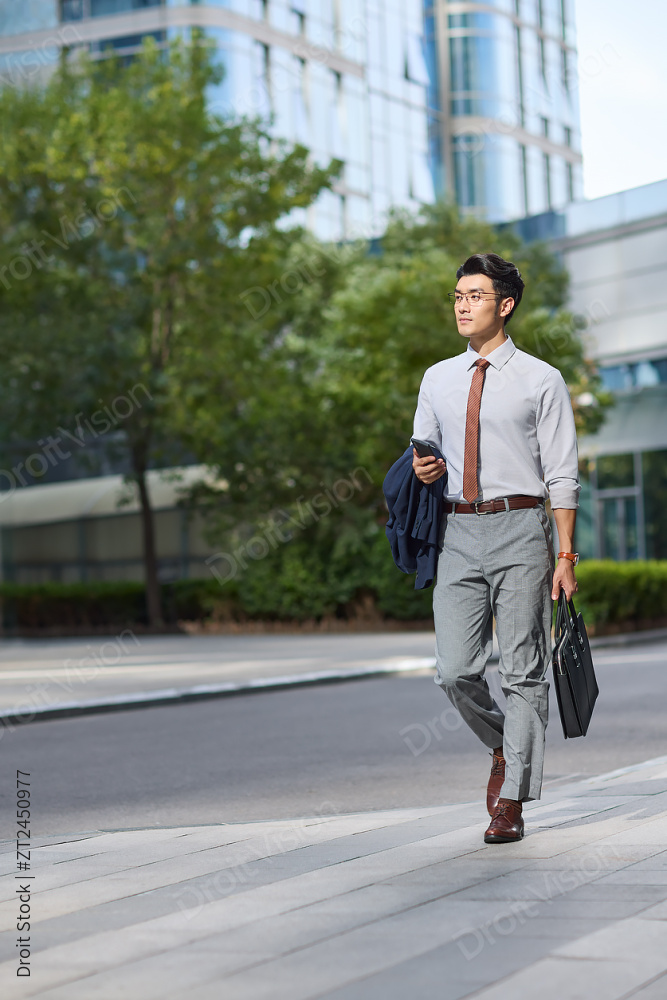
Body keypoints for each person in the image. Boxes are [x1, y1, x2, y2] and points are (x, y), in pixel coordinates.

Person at [412, 252, 580, 844]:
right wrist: (424, 467)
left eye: (474, 296)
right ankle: (506, 748)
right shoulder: (437, 378)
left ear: (504, 304)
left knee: (523, 671)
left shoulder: (541, 379)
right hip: (458, 530)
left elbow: (562, 473)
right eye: (457, 295)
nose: (462, 305)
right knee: (454, 672)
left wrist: (565, 554)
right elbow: (422, 453)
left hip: (522, 529)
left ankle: (511, 802)